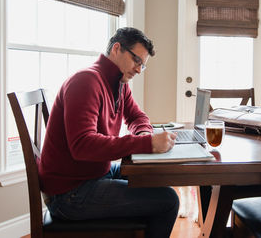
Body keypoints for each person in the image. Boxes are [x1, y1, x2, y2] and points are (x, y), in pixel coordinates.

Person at [39, 27, 179, 238]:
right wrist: (147, 144)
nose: (139, 70)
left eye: (143, 65)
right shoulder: (86, 81)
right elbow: (82, 146)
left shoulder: (119, 84)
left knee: (153, 180)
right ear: (116, 49)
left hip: (93, 174)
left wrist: (143, 135)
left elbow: (138, 117)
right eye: (137, 61)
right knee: (168, 200)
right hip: (70, 193)